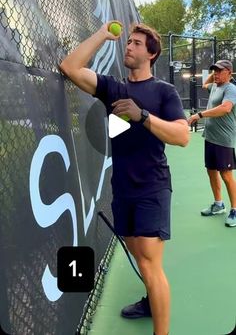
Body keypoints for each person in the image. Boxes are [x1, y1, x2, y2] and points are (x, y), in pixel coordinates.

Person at [59, 21, 189, 335]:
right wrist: (104, 34)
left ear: (152, 53)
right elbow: (70, 66)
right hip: (123, 187)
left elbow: (182, 136)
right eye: (128, 41)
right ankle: (149, 302)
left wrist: (141, 115)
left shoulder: (164, 92)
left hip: (152, 187)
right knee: (137, 252)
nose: (128, 46)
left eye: (136, 43)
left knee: (149, 263)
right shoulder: (114, 88)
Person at [188, 60, 236, 227]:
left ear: (229, 72)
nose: (215, 74)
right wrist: (215, 73)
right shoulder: (215, 86)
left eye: (219, 71)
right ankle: (218, 204)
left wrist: (199, 116)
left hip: (223, 140)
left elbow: (225, 109)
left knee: (226, 175)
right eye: (214, 71)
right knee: (211, 171)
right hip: (210, 138)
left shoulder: (231, 89)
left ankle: (234, 210)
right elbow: (204, 85)